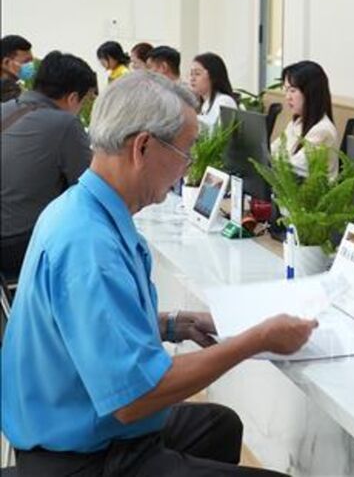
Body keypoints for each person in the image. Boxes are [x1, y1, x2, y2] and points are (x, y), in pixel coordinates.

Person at [0, 71, 316, 475]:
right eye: (185, 151)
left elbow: (87, 326)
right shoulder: (90, 246)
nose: (187, 166)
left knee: (219, 425)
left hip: (80, 419)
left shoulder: (81, 208)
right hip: (85, 458)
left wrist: (170, 324)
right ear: (143, 147)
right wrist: (256, 340)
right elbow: (135, 398)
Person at [1, 51, 96, 280]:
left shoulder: (5, 109)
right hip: (17, 244)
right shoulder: (65, 123)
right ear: (73, 98)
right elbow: (90, 185)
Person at [274, 60, 340, 177]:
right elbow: (273, 150)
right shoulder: (297, 122)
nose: (287, 97)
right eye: (286, 90)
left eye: (292, 91)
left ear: (310, 93)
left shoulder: (322, 130)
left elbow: (294, 167)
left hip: (309, 188)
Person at [190, 52, 238, 133]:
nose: (192, 79)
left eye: (197, 74)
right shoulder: (204, 105)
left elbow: (214, 131)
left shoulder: (224, 101)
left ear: (213, 76)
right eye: (191, 74)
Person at [1, 34, 34, 102]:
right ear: (6, 63)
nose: (31, 65)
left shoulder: (15, 88)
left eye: (31, 61)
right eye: (26, 61)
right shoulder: (9, 95)